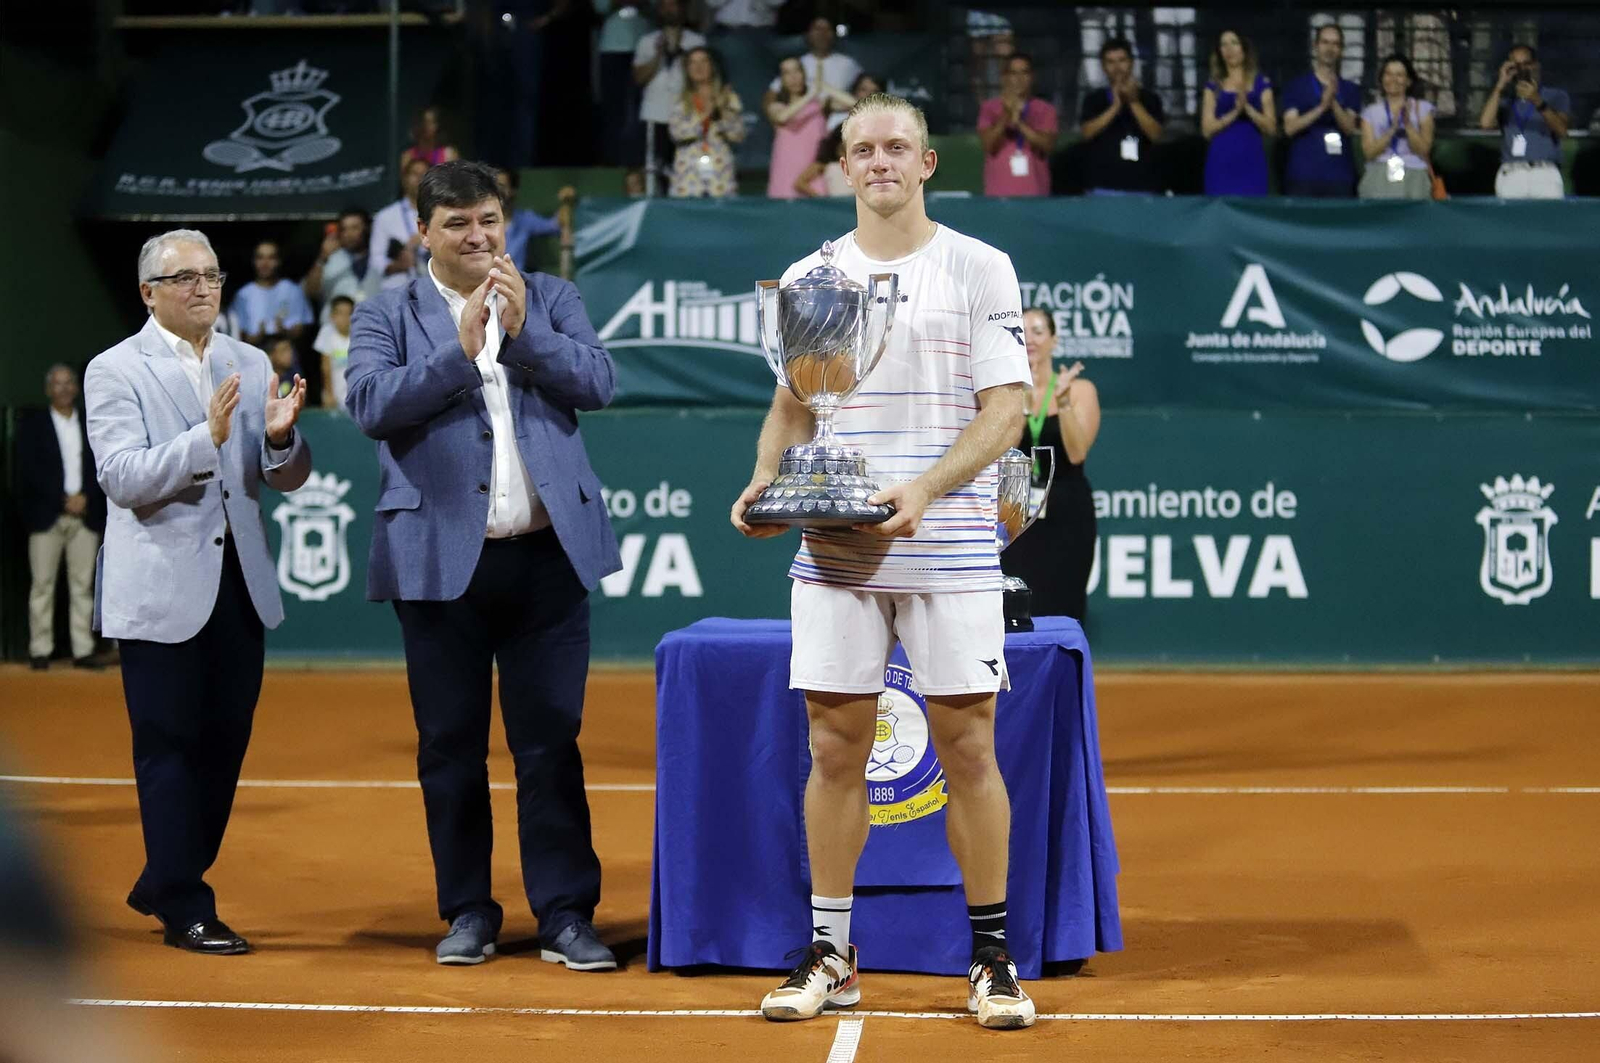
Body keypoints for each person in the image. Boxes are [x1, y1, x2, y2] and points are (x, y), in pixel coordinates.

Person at [729, 93, 1037, 1030]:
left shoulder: (980, 267)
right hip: (836, 550)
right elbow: (794, 407)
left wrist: (926, 490)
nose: (879, 162)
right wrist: (762, 485)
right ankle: (832, 948)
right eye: (861, 149)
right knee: (832, 748)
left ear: (927, 161)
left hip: (947, 544)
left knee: (970, 747)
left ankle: (990, 956)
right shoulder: (814, 275)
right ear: (841, 167)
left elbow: (1009, 409)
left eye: (896, 146)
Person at [343, 160, 622, 972]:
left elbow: (599, 380)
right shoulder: (385, 310)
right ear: (423, 233)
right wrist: (459, 355)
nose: (478, 236)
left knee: (551, 744)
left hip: (547, 560)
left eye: (490, 219)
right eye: (458, 223)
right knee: (450, 746)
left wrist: (526, 330)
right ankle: (468, 908)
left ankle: (566, 913)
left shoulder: (553, 295)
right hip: (437, 563)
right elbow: (368, 404)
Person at [84, 228, 310, 955]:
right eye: (184, 278)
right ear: (148, 291)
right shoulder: (113, 368)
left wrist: (279, 440)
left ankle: (166, 874)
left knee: (226, 742)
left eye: (212, 275)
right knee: (168, 744)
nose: (203, 288)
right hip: (158, 591)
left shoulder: (248, 359)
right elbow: (121, 477)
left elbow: (284, 477)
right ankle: (185, 901)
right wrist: (202, 439)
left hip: (240, 586)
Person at [998, 310, 1099, 622]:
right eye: (1023, 330)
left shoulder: (1081, 390)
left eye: (1038, 331)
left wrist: (1063, 400)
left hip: (1066, 510)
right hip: (1016, 511)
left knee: (1062, 601)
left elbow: (1077, 452)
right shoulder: (1004, 393)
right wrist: (1019, 399)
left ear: (1054, 340)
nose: (1030, 338)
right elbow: (1001, 450)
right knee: (1013, 604)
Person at [17, 365, 106, 670]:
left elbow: (103, 464)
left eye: (69, 383)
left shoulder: (90, 423)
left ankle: (83, 650)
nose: (64, 389)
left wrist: (86, 498)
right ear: (48, 389)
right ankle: (40, 650)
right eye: (58, 384)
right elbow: (27, 471)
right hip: (46, 517)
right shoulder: (33, 425)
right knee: (42, 585)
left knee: (82, 586)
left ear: (77, 388)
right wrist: (61, 500)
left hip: (86, 515)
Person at [1478, 44, 1571, 199]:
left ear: (1535, 66)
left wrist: (1537, 101)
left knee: (1549, 221)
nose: (1521, 70)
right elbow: (1485, 123)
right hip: (1512, 172)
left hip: (1544, 172)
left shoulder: (1556, 96)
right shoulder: (1505, 100)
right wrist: (1500, 86)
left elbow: (1562, 130)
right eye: (1515, 65)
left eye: (1525, 64)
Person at [1280, 23, 1362, 197]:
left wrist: (1333, 102)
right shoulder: (1297, 86)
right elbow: (1289, 128)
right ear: (1315, 46)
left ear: (1341, 50)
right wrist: (1321, 107)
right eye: (1325, 42)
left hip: (1339, 175)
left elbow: (1349, 127)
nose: (1329, 48)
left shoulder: (1350, 89)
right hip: (1303, 174)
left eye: (1335, 44)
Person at [1078, 37, 1166, 195]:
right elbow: (1086, 133)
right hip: (1103, 186)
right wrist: (1115, 106)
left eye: (1122, 60)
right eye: (1110, 62)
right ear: (1104, 67)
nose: (1117, 67)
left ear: (1131, 63)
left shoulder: (1150, 98)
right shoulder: (1094, 99)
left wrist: (1133, 102)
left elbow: (1156, 135)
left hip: (1142, 186)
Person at [633, 0, 706, 184]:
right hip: (655, 114)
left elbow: (703, 78)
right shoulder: (647, 41)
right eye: (664, 6)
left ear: (682, 8)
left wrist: (682, 56)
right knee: (656, 169)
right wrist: (658, 55)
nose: (668, 10)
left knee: (686, 166)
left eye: (673, 5)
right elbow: (638, 79)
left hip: (687, 114)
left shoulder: (696, 41)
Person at [1201, 30, 1275, 196]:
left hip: (1251, 159)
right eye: (1224, 44)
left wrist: (1247, 109)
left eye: (1234, 43)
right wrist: (1234, 112)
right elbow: (1206, 130)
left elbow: (1271, 127)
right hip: (1221, 160)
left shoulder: (1261, 83)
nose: (1229, 49)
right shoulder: (1213, 86)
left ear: (1244, 48)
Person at [767, 57, 851, 199]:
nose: (793, 77)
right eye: (787, 73)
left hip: (812, 173)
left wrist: (824, 87)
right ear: (780, 80)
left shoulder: (818, 104)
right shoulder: (776, 107)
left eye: (797, 71)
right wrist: (811, 94)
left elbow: (854, 104)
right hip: (786, 173)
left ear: (804, 74)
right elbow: (782, 117)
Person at [977, 52, 1058, 197]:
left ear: (1032, 77)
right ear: (1005, 78)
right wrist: (1006, 114)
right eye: (1013, 73)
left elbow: (1047, 145)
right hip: (998, 196)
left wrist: (1019, 123)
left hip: (1036, 195)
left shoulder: (1046, 110)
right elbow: (988, 145)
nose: (1019, 79)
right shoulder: (989, 108)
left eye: (1024, 73)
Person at [668, 47, 745, 198]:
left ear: (712, 66)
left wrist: (723, 111)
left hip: (719, 167)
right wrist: (709, 111)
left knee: (721, 216)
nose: (698, 67)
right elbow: (677, 133)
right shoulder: (679, 100)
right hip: (688, 168)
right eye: (693, 63)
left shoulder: (728, 97)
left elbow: (738, 134)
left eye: (704, 61)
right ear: (687, 69)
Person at [1358, 54, 1435, 200]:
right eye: (1388, 74)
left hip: (1414, 175)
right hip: (1379, 174)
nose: (1393, 79)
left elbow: (1424, 149)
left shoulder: (1423, 109)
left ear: (1409, 81)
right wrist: (1392, 130)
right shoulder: (1370, 112)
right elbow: (1368, 152)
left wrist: (1407, 125)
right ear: (1382, 79)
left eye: (1399, 75)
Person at [230, 240, 313, 349]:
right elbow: (236, 336)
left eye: (271, 258)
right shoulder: (243, 295)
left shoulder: (292, 290)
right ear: (254, 261)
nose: (265, 263)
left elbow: (301, 331)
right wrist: (258, 337)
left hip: (287, 359)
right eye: (260, 258)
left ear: (279, 261)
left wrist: (284, 332)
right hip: (253, 358)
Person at [301, 207, 375, 323]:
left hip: (372, 330)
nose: (348, 234)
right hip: (334, 332)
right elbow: (310, 292)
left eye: (354, 228)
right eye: (344, 229)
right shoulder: (330, 258)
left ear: (367, 228)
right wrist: (322, 258)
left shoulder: (381, 256)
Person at [768, 17, 863, 105]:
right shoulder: (796, 64)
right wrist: (776, 114)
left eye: (827, 29)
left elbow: (868, 90)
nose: (822, 33)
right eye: (817, 29)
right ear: (808, 35)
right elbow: (771, 95)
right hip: (803, 117)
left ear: (834, 35)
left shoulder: (848, 64)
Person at [372, 157, 432, 290]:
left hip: (434, 289)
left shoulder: (442, 214)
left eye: (424, 175)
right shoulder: (385, 216)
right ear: (404, 179)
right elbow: (376, 259)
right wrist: (398, 265)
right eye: (414, 174)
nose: (419, 179)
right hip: (397, 289)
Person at [495, 167, 563, 270]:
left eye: (502, 187)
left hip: (514, 282)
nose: (498, 192)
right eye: (494, 187)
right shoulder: (480, 221)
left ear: (513, 190)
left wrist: (566, 203)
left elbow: (555, 225)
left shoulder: (524, 220)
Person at [314, 295, 355, 410]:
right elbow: (325, 367)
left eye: (349, 313)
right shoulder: (327, 332)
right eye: (340, 313)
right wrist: (329, 394)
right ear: (332, 316)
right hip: (334, 391)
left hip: (354, 392)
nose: (345, 317)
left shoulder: (360, 333)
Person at [401, 106, 460, 171]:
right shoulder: (408, 156)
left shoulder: (448, 154)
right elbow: (405, 180)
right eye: (423, 122)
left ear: (437, 125)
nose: (425, 126)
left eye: (430, 122)